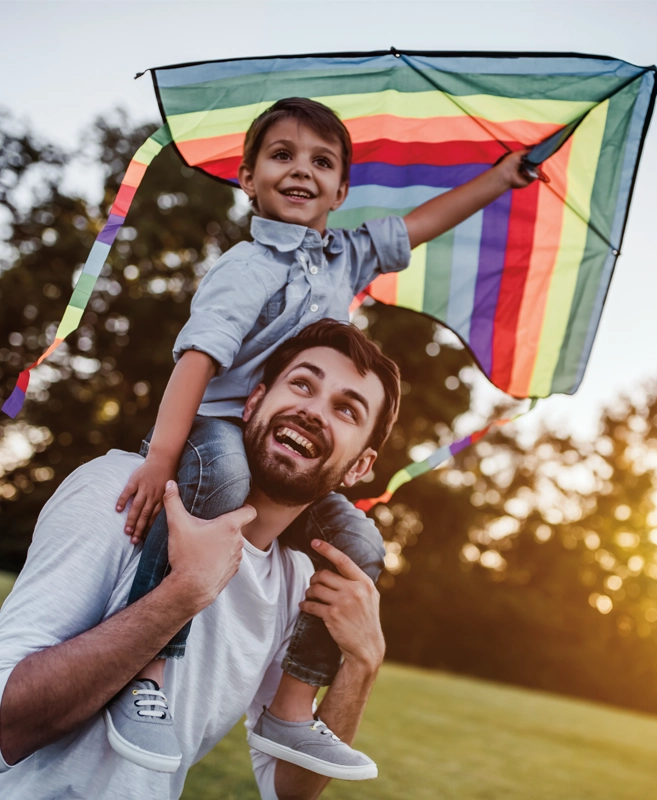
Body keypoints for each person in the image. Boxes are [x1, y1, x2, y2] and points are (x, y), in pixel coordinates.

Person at [111, 96, 540, 775]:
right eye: (281, 156)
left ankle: (289, 710)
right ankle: (146, 675)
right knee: (219, 477)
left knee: (361, 542)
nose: (300, 171)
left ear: (342, 189)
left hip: (285, 453)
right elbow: (196, 361)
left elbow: (421, 225)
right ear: (247, 178)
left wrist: (500, 179)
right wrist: (163, 457)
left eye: (321, 161)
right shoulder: (246, 268)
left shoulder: (346, 256)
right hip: (219, 430)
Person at [0, 320, 401, 799]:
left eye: (346, 410)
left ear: (360, 467)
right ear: (253, 402)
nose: (313, 411)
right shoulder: (122, 493)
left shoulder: (299, 585)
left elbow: (289, 788)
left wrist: (362, 664)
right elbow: (9, 725)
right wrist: (182, 594)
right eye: (302, 384)